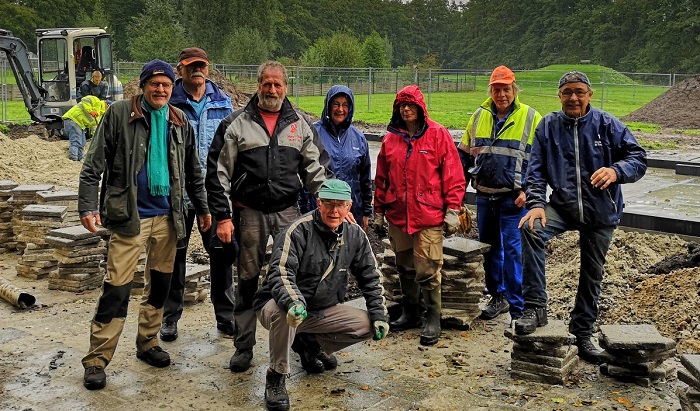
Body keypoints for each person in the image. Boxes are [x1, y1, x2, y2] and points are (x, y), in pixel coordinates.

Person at [78, 59, 211, 390]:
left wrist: (205, 208)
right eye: (155, 84)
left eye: (166, 84)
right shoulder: (120, 114)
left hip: (169, 217)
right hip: (129, 218)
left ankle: (148, 342)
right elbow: (93, 165)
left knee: (161, 284)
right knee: (117, 288)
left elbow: (194, 172)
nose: (161, 89)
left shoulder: (180, 122)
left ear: (172, 87)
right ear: (143, 86)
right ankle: (96, 359)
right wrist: (86, 206)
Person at [206, 60, 331, 373]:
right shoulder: (236, 124)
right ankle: (243, 346)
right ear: (258, 85)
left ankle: (305, 345)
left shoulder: (300, 124)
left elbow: (317, 169)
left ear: (285, 87)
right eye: (266, 84)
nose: (272, 90)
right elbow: (217, 173)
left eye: (278, 84)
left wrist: (333, 203)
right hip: (249, 213)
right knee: (247, 278)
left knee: (298, 278)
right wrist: (223, 217)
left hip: (289, 211)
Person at [514, 71, 647, 365]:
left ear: (589, 94)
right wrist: (536, 203)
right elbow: (534, 171)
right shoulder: (548, 127)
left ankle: (582, 331)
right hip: (562, 207)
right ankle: (535, 308)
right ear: (559, 95)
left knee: (591, 273)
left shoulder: (607, 125)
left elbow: (638, 158)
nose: (573, 97)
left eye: (579, 92)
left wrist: (616, 171)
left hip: (601, 211)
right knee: (532, 228)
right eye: (567, 92)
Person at [253, 179, 389, 411]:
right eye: (328, 203)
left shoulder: (356, 236)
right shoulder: (297, 231)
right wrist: (294, 303)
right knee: (282, 313)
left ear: (349, 207)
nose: (333, 211)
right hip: (282, 305)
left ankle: (310, 345)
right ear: (318, 203)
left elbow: (371, 277)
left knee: (367, 324)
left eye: (340, 205)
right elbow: (280, 273)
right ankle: (276, 375)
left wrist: (379, 314)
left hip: (322, 308)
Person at [373, 85, 466, 346]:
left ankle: (433, 316)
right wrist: (379, 211)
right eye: (401, 105)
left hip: (428, 215)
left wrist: (453, 210)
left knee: (428, 267)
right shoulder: (391, 139)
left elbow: (454, 175)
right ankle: (411, 312)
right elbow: (381, 178)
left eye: (410, 105)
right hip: (399, 214)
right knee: (403, 264)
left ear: (420, 107)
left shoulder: (438, 135)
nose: (406, 109)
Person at [159, 47, 235, 342]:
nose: (197, 71)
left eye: (201, 65)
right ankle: (170, 317)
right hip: (176, 195)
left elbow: (232, 149)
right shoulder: (169, 104)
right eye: (191, 67)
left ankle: (225, 317)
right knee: (174, 257)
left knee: (221, 256)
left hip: (213, 194)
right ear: (180, 70)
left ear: (208, 67)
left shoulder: (223, 104)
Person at [457, 66, 542, 322]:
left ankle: (518, 309)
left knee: (514, 253)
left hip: (513, 199)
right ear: (490, 90)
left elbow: (540, 161)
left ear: (514, 89)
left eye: (506, 89)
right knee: (490, 250)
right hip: (484, 196)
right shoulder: (479, 115)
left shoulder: (531, 117)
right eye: (497, 89)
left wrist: (528, 190)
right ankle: (498, 297)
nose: (501, 94)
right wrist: (457, 196)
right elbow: (463, 155)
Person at [311, 85, 372, 230]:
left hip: (351, 210)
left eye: (345, 105)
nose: (340, 109)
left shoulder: (358, 138)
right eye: (336, 104)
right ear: (328, 106)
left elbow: (365, 178)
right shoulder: (313, 133)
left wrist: (366, 211)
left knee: (348, 250)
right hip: (322, 210)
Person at [62, 95, 107, 161]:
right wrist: (90, 110)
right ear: (107, 105)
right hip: (73, 119)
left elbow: (94, 127)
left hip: (80, 124)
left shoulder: (100, 115)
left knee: (82, 142)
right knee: (76, 141)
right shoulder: (97, 101)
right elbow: (85, 99)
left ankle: (80, 158)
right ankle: (73, 158)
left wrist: (97, 137)